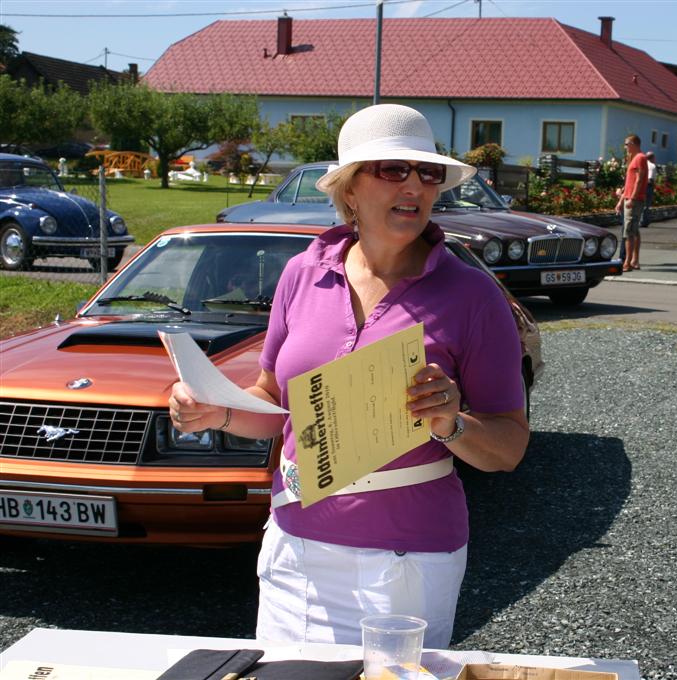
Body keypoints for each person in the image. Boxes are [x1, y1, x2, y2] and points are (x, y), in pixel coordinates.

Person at [168, 104, 530, 649]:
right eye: (392, 169)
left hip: (406, 562)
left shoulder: (473, 295)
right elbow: (272, 402)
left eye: (427, 173)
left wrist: (449, 422)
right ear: (349, 190)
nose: (414, 186)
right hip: (294, 548)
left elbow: (508, 448)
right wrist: (214, 411)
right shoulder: (302, 272)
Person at [616, 134, 648, 271]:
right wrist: (621, 200)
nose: (625, 147)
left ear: (634, 144)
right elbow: (628, 183)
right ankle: (634, 260)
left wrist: (633, 198)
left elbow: (640, 180)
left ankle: (627, 263)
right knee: (633, 230)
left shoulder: (640, 158)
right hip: (630, 198)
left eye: (626, 144)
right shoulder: (634, 158)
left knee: (629, 231)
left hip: (634, 199)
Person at [642, 151, 657, 227]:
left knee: (642, 204)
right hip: (648, 186)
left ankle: (641, 220)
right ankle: (644, 221)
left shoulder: (643, 164)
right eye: (654, 157)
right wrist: (654, 186)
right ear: (652, 158)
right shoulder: (652, 166)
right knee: (647, 205)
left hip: (641, 185)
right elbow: (650, 178)